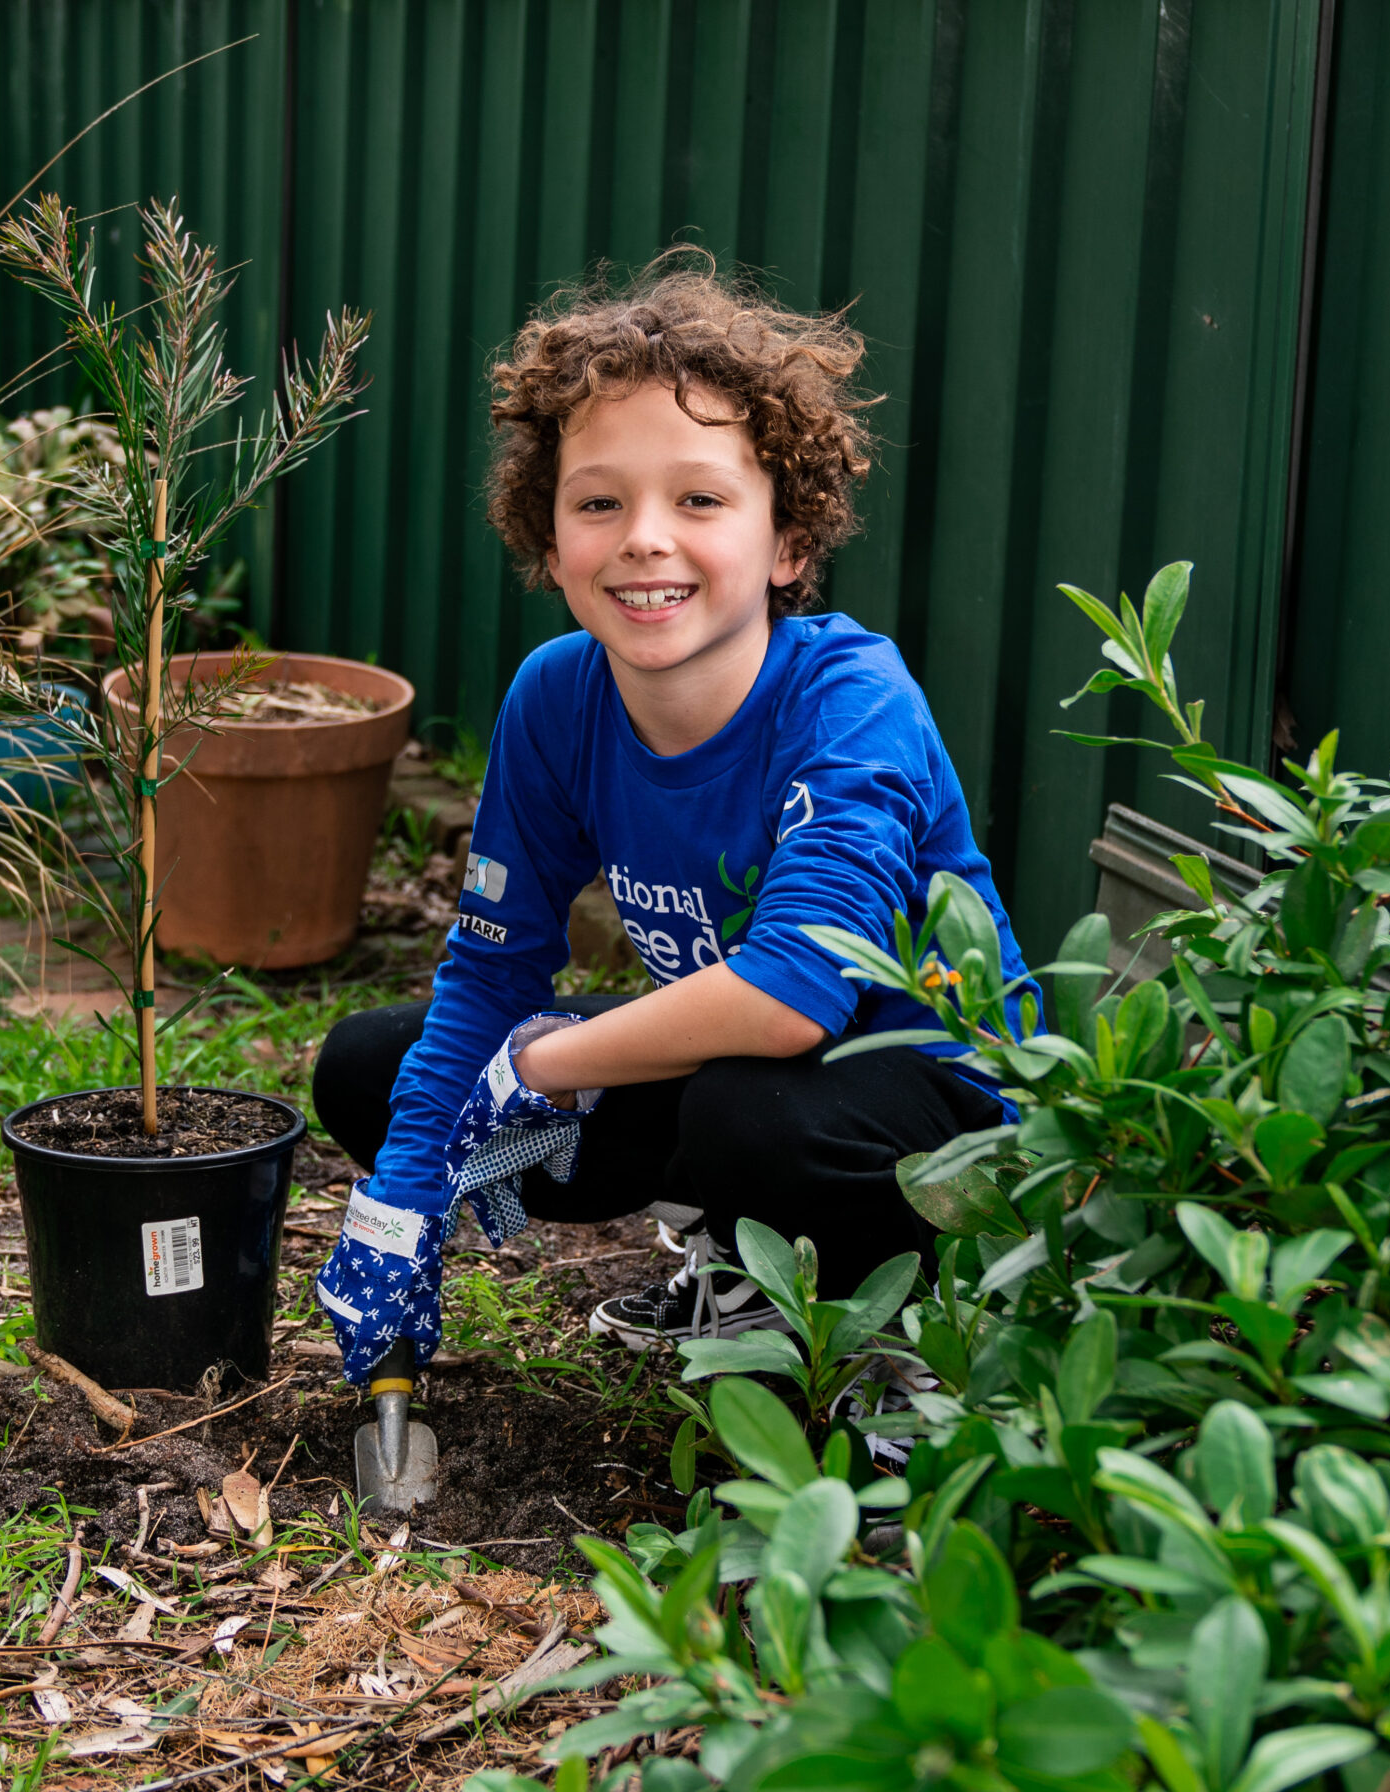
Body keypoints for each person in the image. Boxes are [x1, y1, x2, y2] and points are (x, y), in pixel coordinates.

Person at [306, 251, 1029, 1384]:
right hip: (750, 1076)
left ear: (787, 541)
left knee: (758, 1111)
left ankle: (911, 1339)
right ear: (551, 543)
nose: (644, 537)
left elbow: (794, 994)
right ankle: (741, 1273)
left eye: (699, 498)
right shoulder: (558, 696)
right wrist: (400, 1199)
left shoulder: (850, 699)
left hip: (947, 1106)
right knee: (372, 1068)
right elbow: (495, 974)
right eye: (600, 502)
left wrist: (543, 1070)